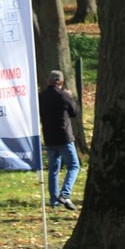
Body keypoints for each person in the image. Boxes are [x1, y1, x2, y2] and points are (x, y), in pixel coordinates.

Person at [39, 70, 80, 210]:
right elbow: (74, 112)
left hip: (49, 137)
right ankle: (65, 194)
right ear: (61, 83)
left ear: (48, 82)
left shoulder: (41, 97)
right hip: (64, 137)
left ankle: (53, 200)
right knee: (74, 166)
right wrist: (70, 97)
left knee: (53, 169)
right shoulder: (64, 96)